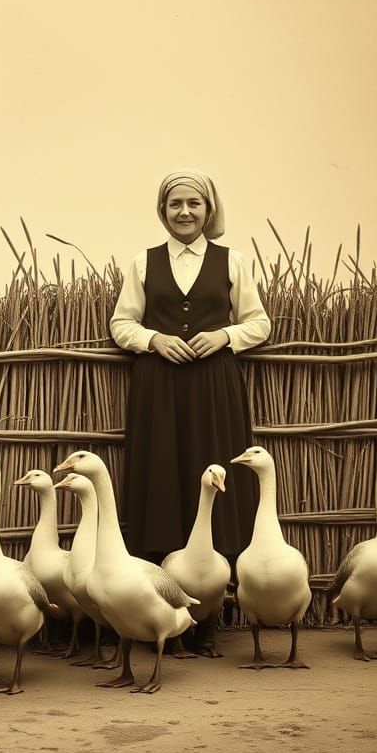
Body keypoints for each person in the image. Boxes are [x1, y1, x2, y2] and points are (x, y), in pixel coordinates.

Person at [110, 169, 271, 584]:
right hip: (157, 386)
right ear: (163, 211)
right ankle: (159, 588)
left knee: (216, 470)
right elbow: (121, 323)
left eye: (193, 203)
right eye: (175, 204)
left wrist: (224, 335)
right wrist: (153, 340)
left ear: (208, 209)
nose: (184, 212)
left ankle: (214, 593)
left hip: (214, 386)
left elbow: (259, 323)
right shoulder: (142, 262)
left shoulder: (232, 260)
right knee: (160, 471)